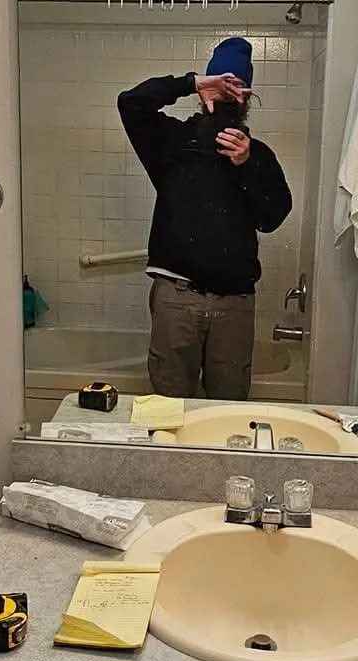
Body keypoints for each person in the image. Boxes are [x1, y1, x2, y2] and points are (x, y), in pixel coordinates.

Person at [117, 36, 293, 397]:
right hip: (176, 297)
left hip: (236, 304)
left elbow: (273, 216)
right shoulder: (172, 141)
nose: (230, 95)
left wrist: (247, 165)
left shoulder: (259, 155)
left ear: (249, 95)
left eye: (239, 87)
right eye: (222, 84)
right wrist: (191, 81)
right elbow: (131, 103)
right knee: (170, 408)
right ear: (205, 90)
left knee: (229, 409)